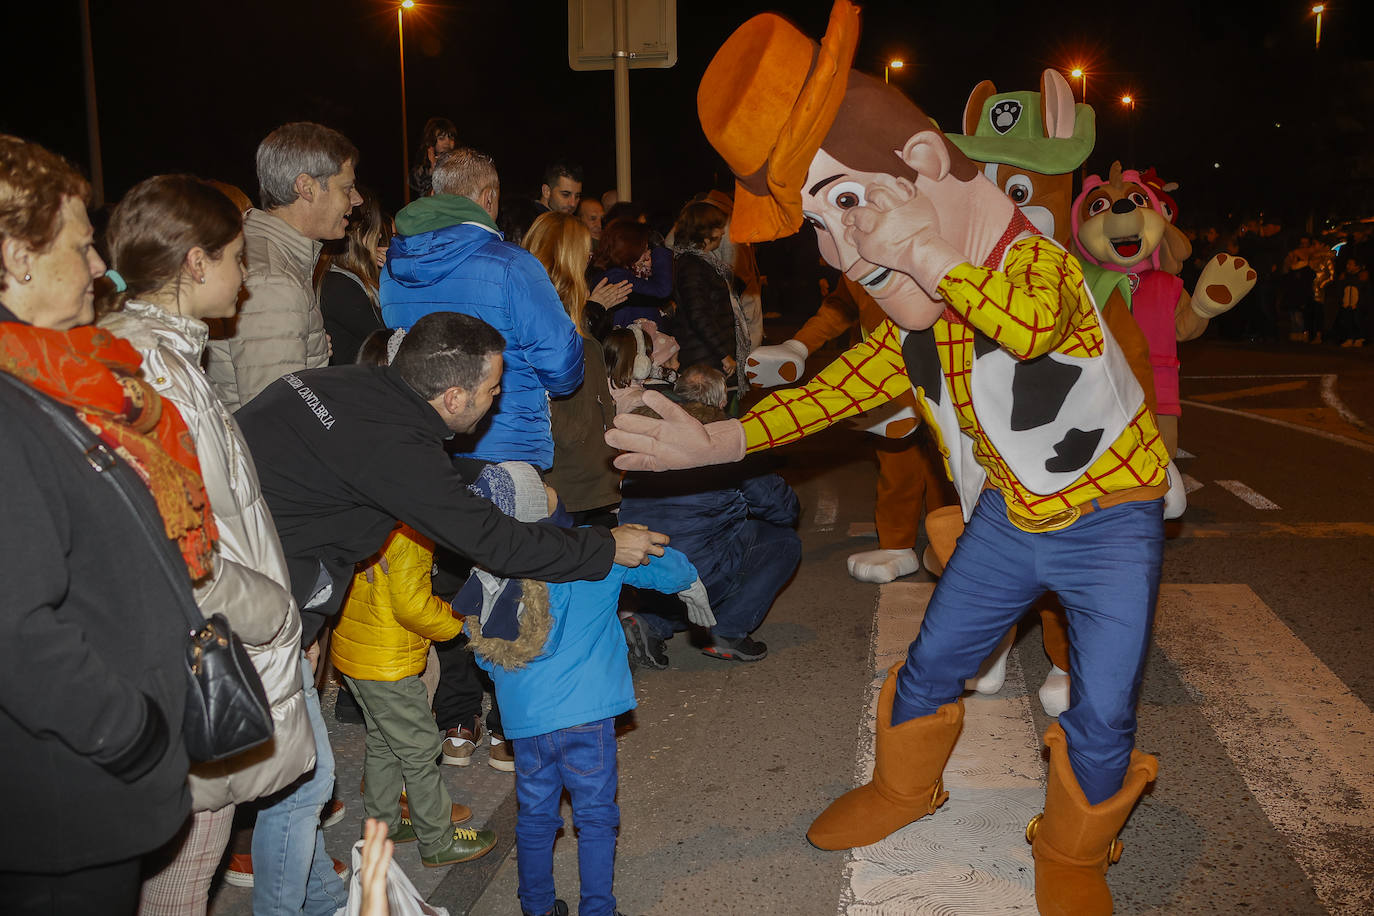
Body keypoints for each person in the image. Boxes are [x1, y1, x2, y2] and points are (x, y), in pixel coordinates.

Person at [612, 6, 1168, 912]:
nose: (838, 250)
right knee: (932, 661)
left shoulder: (1038, 265)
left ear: (920, 164)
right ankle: (905, 787)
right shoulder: (917, 322)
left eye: (844, 207)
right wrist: (709, 441)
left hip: (1108, 521)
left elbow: (1029, 328)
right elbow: (830, 393)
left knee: (1103, 711)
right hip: (1008, 523)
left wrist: (928, 252)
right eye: (818, 224)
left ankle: (1072, 850)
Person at [99, 174, 317, 914]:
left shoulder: (161, 354)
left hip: (203, 639)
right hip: (205, 651)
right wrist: (273, 613)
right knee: (180, 883)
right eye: (234, 258)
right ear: (195, 263)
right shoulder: (152, 368)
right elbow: (171, 540)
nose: (245, 276)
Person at [0, 135, 199, 914]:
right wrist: (134, 732)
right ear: (17, 256)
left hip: (83, 791)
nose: (97, 269)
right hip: (63, 807)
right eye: (82, 246)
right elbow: (15, 632)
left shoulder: (41, 378)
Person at [234, 310, 669, 653]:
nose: (497, 399)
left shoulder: (338, 382)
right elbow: (496, 543)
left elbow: (392, 471)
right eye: (492, 389)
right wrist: (607, 546)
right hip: (260, 593)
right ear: (454, 397)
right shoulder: (394, 450)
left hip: (233, 558)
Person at [461, 462, 711, 916]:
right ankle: (598, 908)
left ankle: (536, 906)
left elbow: (484, 653)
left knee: (536, 817)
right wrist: (690, 581)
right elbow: (660, 565)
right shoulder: (597, 554)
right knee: (596, 817)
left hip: (527, 720)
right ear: (545, 505)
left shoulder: (489, 573)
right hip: (587, 716)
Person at [381, 148, 584, 471]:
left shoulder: (393, 268)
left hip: (425, 451)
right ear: (489, 198)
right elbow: (562, 367)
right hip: (507, 450)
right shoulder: (513, 266)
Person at [330, 517, 498, 867]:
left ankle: (383, 826)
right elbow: (412, 607)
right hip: (387, 662)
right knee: (421, 747)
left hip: (356, 651)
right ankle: (438, 840)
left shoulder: (368, 516)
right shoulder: (410, 534)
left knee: (383, 742)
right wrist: (459, 623)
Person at [618, 366, 801, 666]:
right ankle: (728, 631)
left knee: (684, 542)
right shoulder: (725, 441)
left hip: (642, 573)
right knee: (782, 541)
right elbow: (783, 510)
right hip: (696, 576)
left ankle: (649, 623)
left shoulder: (652, 435)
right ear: (720, 402)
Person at [205, 121, 362, 411]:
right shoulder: (273, 280)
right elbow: (276, 419)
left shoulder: (273, 256)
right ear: (306, 188)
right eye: (347, 188)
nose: (356, 199)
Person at [523, 211, 630, 526]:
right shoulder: (549, 322)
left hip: (587, 479)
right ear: (567, 255)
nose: (590, 257)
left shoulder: (568, 313)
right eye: (585, 250)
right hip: (571, 484)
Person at [670, 200, 751, 396]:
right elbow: (699, 314)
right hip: (706, 359)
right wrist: (723, 355)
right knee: (711, 417)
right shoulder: (692, 266)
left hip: (709, 355)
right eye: (718, 227)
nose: (723, 233)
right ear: (704, 232)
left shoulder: (705, 262)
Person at [319, 184, 389, 365]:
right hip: (355, 387)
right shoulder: (339, 285)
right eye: (376, 229)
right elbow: (391, 338)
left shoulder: (351, 280)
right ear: (361, 233)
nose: (380, 235)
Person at [586, 218, 673, 336]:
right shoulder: (615, 278)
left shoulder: (615, 274)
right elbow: (661, 290)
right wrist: (660, 249)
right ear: (629, 250)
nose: (648, 255)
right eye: (645, 249)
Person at [411, 116, 457, 199]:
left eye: (451, 137)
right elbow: (416, 185)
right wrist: (432, 168)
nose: (447, 142)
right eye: (441, 138)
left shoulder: (458, 163)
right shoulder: (424, 168)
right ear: (431, 141)